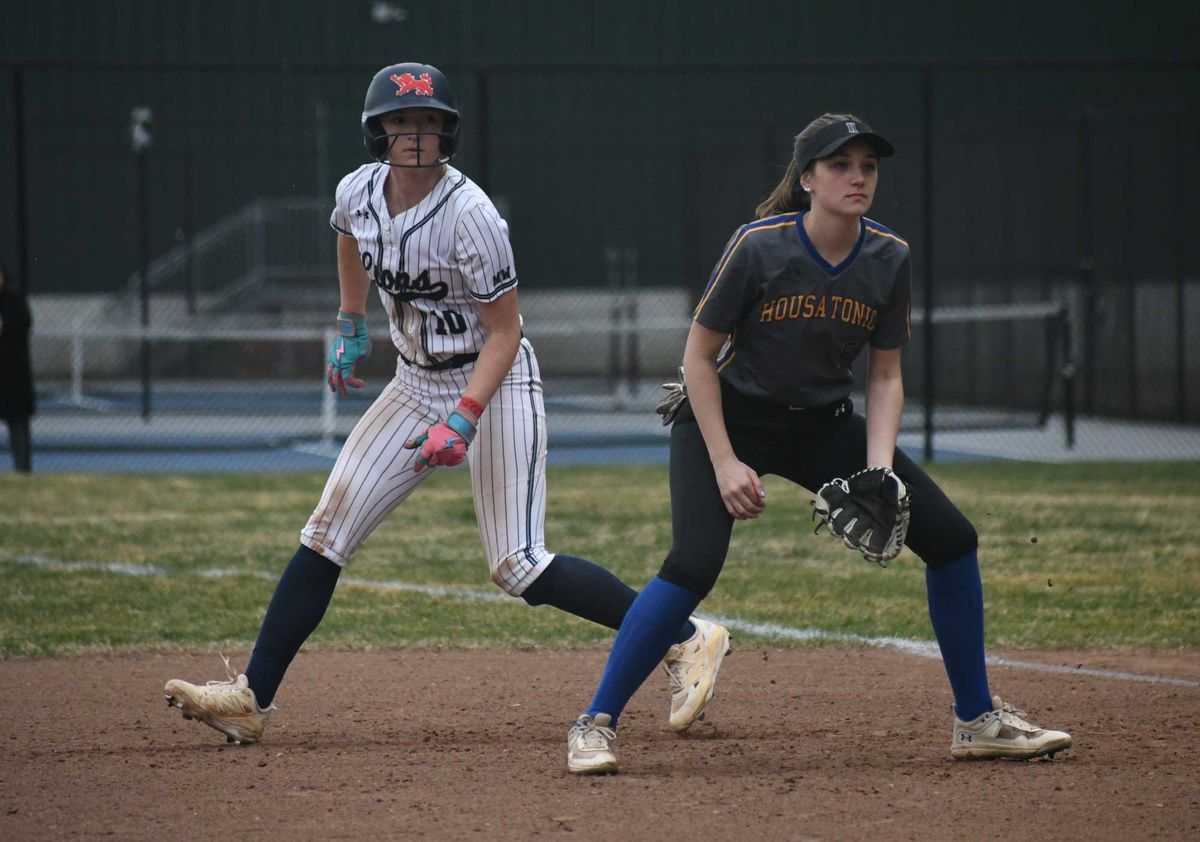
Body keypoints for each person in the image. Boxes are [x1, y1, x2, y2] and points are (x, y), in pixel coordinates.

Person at [163, 62, 729, 745]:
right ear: (379, 130)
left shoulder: (471, 215)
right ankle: (252, 699)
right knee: (325, 532)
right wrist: (349, 324)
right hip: (413, 380)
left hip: (495, 378)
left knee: (517, 564)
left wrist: (463, 418)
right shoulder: (358, 191)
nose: (416, 134)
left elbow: (505, 331)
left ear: (447, 131)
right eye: (402, 121)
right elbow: (350, 238)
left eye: (429, 121)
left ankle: (684, 635)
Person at [564, 114, 1072, 774]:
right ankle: (595, 723)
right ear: (807, 179)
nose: (858, 176)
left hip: (821, 424)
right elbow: (696, 360)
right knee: (692, 564)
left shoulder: (890, 256)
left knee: (952, 540)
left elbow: (885, 374)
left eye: (868, 165)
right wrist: (724, 463)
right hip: (727, 417)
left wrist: (881, 471)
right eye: (840, 165)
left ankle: (976, 721)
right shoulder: (759, 246)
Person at [0, 259, 35, 474]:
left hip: (13, 375)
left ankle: (23, 470)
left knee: (18, 425)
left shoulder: (14, 299)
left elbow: (23, 325)